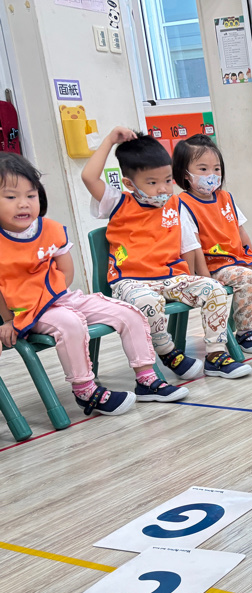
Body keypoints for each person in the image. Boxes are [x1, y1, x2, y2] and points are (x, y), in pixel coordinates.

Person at [0, 153, 187, 415]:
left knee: (129, 313)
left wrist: (54, 298)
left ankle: (147, 379)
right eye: (11, 197)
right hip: (27, 311)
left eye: (31, 195)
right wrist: (9, 320)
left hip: (61, 298)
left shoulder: (50, 229)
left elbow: (66, 272)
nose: (23, 204)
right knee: (70, 323)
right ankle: (85, 392)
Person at [82, 127, 251, 379]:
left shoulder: (176, 204)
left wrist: (196, 277)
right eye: (152, 183)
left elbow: (188, 245)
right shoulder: (117, 202)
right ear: (129, 183)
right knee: (148, 302)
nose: (162, 189)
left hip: (171, 278)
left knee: (214, 289)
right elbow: (88, 177)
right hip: (131, 282)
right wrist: (109, 140)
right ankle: (169, 353)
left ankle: (216, 355)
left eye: (168, 180)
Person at [172, 134, 252, 355]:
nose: (212, 175)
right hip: (214, 265)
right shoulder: (183, 204)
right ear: (185, 174)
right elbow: (192, 245)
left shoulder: (226, 197)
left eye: (216, 169)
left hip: (239, 259)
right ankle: (244, 331)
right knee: (247, 278)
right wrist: (205, 278)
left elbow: (241, 230)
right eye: (203, 169)